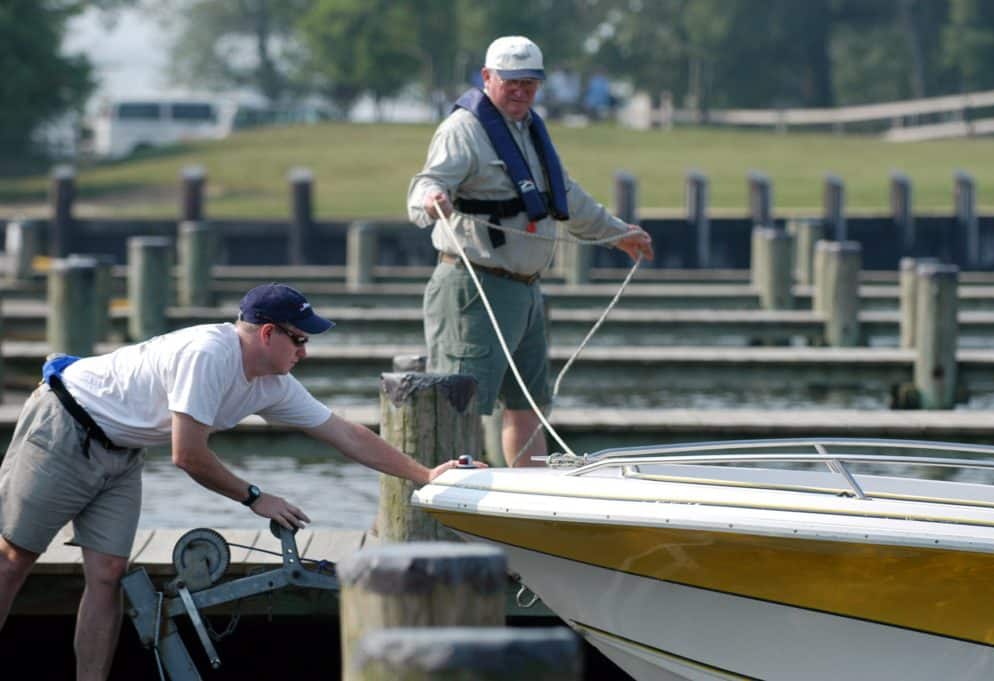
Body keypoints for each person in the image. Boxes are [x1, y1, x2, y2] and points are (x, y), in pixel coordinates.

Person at [0, 282, 476, 680]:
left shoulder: (272, 382)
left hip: (121, 452)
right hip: (66, 424)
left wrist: (424, 475)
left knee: (106, 576)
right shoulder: (208, 354)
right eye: (300, 340)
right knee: (15, 558)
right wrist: (255, 497)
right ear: (268, 333)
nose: (305, 352)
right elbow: (186, 454)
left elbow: (343, 434)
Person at [407, 35, 654, 467]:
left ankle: (526, 504)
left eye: (529, 82)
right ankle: (449, 513)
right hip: (474, 289)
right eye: (510, 81)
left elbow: (567, 197)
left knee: (529, 404)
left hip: (526, 292)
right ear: (488, 78)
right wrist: (431, 203)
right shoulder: (462, 130)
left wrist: (617, 234)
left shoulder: (530, 129)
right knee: (460, 403)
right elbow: (426, 183)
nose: (520, 90)